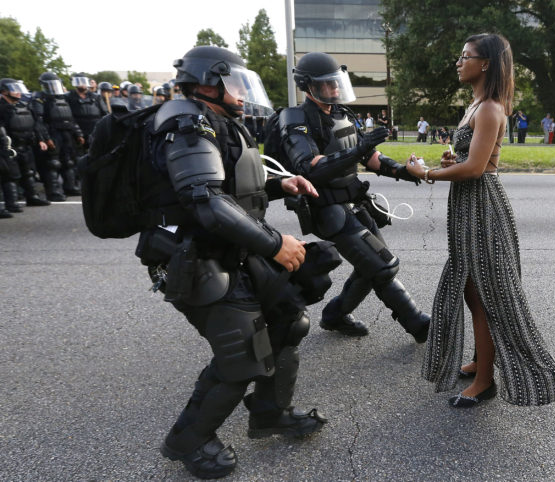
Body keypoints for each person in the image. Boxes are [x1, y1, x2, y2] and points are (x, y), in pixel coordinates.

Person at [127, 46, 328, 479]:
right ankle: (187, 440)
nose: (241, 91)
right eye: (234, 81)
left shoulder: (214, 121)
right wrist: (276, 244)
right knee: (242, 354)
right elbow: (205, 202)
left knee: (288, 319)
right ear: (207, 82)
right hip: (195, 258)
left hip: (231, 250)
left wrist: (279, 185)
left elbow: (230, 186)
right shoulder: (186, 124)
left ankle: (271, 412)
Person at [404, 33, 555, 408]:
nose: (459, 62)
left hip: (483, 208)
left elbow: (476, 169)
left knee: (486, 295)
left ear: (486, 63)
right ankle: (481, 359)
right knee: (471, 290)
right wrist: (450, 162)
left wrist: (426, 173)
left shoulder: (491, 108)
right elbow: (469, 160)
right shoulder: (475, 105)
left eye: (466, 56)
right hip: (468, 207)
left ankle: (485, 381)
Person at [278, 51, 431, 341]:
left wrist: (404, 171)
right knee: (383, 265)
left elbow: (370, 156)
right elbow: (310, 167)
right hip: (327, 209)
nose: (335, 89)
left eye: (337, 83)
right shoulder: (295, 118)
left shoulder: (341, 114)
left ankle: (335, 315)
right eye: (327, 84)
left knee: (370, 266)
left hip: (355, 203)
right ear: (308, 86)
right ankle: (418, 324)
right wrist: (359, 150)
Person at [31, 71, 85, 198]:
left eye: (55, 84)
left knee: (69, 162)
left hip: (67, 134)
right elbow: (39, 122)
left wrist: (78, 134)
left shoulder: (63, 99)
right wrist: (46, 138)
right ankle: (53, 191)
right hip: (53, 133)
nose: (54, 87)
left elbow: (71, 119)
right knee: (53, 163)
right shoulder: (40, 99)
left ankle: (70, 187)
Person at [0, 78, 52, 207]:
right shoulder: (2, 108)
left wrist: (40, 139)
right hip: (9, 147)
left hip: (26, 145)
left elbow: (35, 125)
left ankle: (32, 197)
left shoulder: (24, 105)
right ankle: (11, 203)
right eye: (14, 89)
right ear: (4, 91)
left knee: (29, 173)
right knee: (10, 176)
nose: (18, 92)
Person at [66, 73, 105, 143]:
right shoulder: (69, 97)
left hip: (95, 132)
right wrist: (78, 133)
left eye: (84, 81)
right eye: (80, 82)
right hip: (77, 132)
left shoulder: (96, 97)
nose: (82, 84)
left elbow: (105, 114)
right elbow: (68, 116)